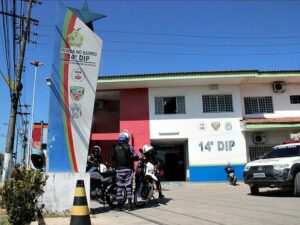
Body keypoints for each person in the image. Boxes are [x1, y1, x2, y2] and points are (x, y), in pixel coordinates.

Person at [110, 130, 138, 211]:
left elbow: (112, 158)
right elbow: (135, 156)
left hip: (119, 169)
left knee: (119, 186)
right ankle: (130, 205)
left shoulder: (115, 147)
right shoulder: (130, 147)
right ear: (127, 139)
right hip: (128, 169)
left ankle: (119, 206)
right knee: (128, 186)